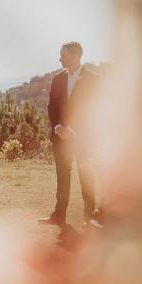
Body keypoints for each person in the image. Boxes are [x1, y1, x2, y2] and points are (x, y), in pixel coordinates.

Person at [39, 42, 99, 228]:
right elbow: (52, 106)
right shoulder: (57, 79)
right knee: (62, 178)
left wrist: (72, 130)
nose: (60, 58)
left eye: (63, 55)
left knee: (86, 177)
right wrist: (57, 126)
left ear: (75, 56)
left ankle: (90, 218)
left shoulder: (93, 79)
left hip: (83, 138)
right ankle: (58, 215)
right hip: (60, 138)